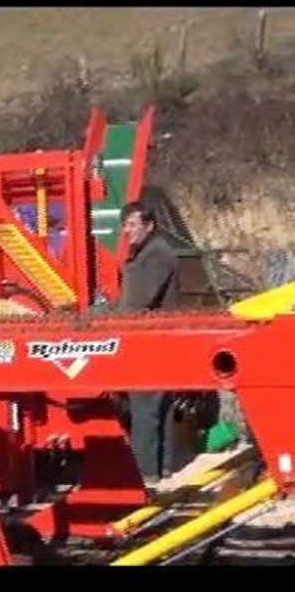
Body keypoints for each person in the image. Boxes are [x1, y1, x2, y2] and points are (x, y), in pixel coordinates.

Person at [115, 200, 181, 486]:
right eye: (124, 225)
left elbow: (137, 303)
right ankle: (163, 467)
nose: (127, 231)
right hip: (158, 339)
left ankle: (145, 474)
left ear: (149, 225)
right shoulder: (148, 251)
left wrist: (106, 320)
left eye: (132, 225)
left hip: (149, 341)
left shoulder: (156, 255)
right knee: (158, 407)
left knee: (144, 407)